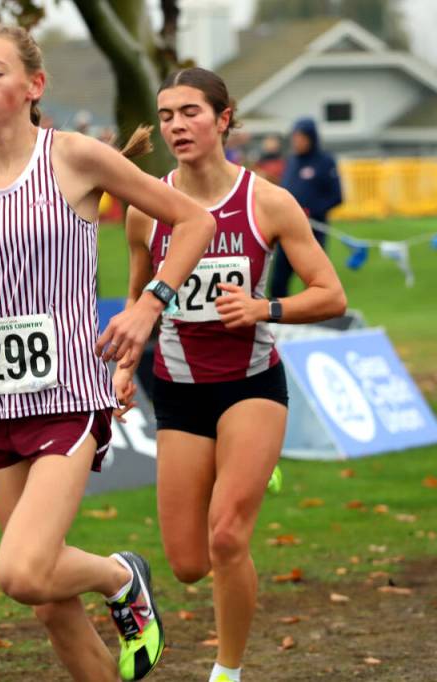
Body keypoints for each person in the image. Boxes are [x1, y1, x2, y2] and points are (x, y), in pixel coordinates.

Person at [0, 24, 215, 681]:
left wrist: (148, 305)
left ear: (34, 86)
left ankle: (121, 575)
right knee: (46, 602)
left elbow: (195, 221)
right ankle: (115, 588)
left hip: (67, 393)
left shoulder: (75, 157)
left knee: (21, 570)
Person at [115, 67, 346, 682]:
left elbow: (331, 295)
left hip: (251, 387)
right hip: (180, 393)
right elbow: (138, 298)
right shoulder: (145, 207)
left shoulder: (267, 201)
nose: (175, 125)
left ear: (222, 119)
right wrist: (123, 367)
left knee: (226, 537)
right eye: (166, 115)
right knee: (188, 562)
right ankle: (233, 484)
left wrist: (263, 308)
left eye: (190, 112)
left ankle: (228, 671)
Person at [271, 116, 342, 297]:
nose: (297, 141)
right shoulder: (292, 161)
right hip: (287, 230)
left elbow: (336, 196)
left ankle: (314, 319)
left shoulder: (325, 162)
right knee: (278, 281)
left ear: (311, 138)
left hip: (313, 231)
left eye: (301, 138)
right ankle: (279, 320)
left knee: (314, 282)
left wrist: (311, 211)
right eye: (295, 137)